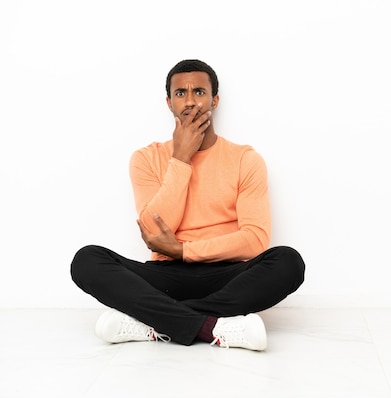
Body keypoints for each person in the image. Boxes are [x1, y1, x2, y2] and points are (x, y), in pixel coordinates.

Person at [71, 59, 305, 351]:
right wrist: (180, 159)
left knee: (288, 262)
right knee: (87, 260)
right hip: (166, 276)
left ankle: (153, 321)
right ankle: (212, 326)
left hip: (227, 274)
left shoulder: (246, 159)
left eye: (199, 92)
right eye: (180, 93)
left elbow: (255, 240)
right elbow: (153, 231)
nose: (191, 101)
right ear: (169, 103)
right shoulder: (146, 158)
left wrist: (184, 250)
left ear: (215, 100)